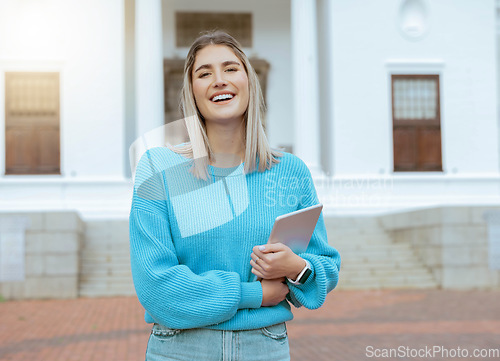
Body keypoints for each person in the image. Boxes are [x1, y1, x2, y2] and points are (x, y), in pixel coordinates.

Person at [129, 30, 341, 361]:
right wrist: (253, 294)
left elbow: (324, 269)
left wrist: (297, 267)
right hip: (181, 349)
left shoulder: (290, 172)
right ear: (192, 92)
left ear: (248, 81)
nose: (219, 80)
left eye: (230, 68)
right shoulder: (158, 169)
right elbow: (157, 288)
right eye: (204, 73)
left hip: (264, 347)